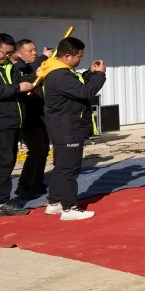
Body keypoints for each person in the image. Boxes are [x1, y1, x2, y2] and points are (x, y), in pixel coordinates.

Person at [37, 37, 106, 221]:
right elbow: (85, 92)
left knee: (61, 167)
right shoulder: (59, 75)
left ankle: (54, 203)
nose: (80, 60)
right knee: (69, 169)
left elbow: (78, 86)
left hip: (63, 125)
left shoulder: (60, 70)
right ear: (66, 56)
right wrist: (100, 75)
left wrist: (90, 73)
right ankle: (69, 208)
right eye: (78, 57)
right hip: (68, 127)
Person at [0, 34, 33, 216]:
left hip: (13, 121)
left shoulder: (10, 67)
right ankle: (1, 201)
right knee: (3, 162)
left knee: (5, 161)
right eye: (5, 53)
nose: (7, 56)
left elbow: (19, 84)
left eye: (10, 53)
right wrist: (17, 88)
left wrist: (30, 83)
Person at [13, 39, 51, 201]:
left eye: (36, 50)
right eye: (30, 51)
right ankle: (24, 185)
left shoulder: (35, 66)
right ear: (18, 53)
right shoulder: (18, 68)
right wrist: (43, 58)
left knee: (44, 149)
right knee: (35, 150)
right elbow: (28, 77)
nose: (34, 53)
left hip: (41, 114)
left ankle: (37, 181)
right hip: (28, 117)